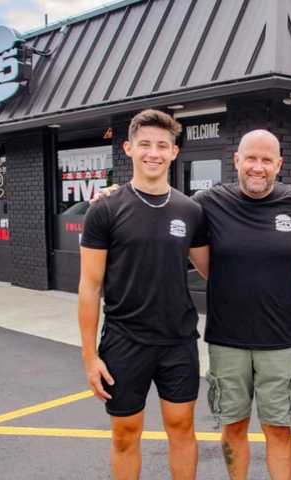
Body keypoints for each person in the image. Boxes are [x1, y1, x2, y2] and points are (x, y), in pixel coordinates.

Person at [78, 109, 208, 480]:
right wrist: (90, 358)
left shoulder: (191, 210)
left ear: (174, 152)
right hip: (124, 340)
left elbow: (212, 269)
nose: (154, 152)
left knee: (182, 428)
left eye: (162, 145)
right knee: (124, 434)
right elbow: (89, 286)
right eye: (145, 144)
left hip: (177, 339)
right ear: (129, 148)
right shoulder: (105, 209)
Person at [193, 130, 291, 480]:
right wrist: (113, 194)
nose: (258, 167)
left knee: (278, 429)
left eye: (266, 160)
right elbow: (203, 264)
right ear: (237, 160)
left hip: (281, 340)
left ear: (279, 164)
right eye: (251, 158)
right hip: (227, 339)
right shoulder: (208, 202)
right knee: (233, 427)